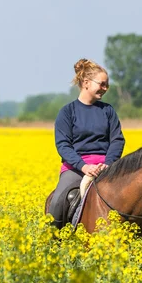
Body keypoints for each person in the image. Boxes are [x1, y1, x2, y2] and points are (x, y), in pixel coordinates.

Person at [48, 58, 125, 225]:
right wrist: (84, 166)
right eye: (102, 84)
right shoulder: (67, 112)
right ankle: (54, 241)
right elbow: (63, 145)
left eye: (107, 85)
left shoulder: (108, 111)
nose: (105, 89)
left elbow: (117, 140)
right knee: (57, 202)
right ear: (86, 83)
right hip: (76, 168)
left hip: (107, 167)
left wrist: (108, 163)